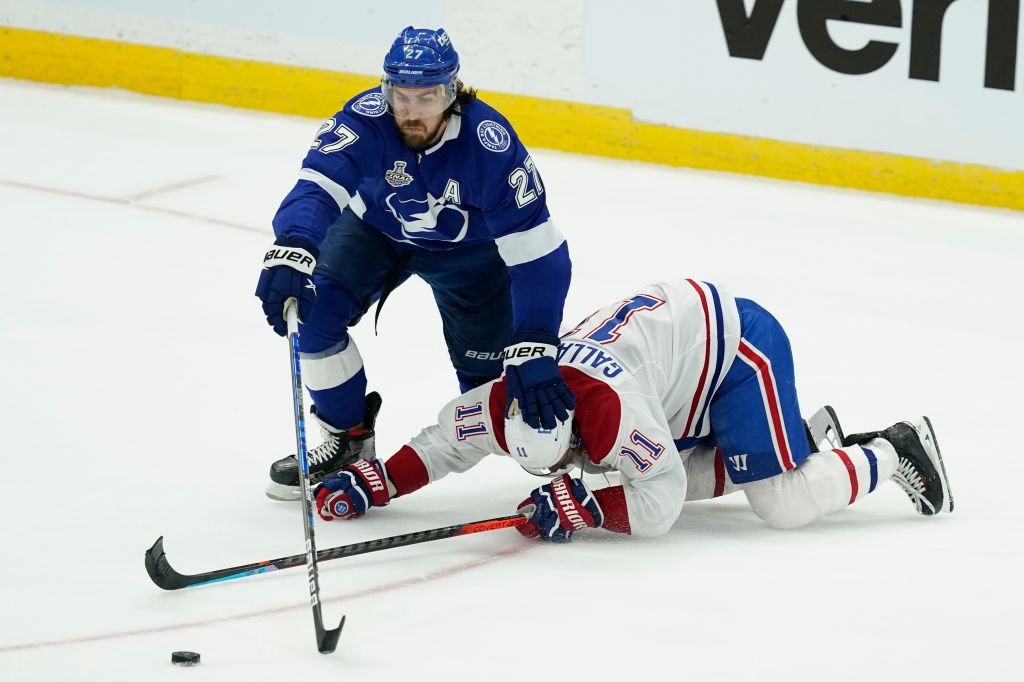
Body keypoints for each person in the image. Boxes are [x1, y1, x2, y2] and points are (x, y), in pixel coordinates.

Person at [310, 278, 954, 542]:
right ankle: (805, 441)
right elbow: (445, 441)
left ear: (572, 426)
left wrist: (588, 511)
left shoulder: (610, 413)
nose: (571, 464)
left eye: (567, 455)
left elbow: (662, 499)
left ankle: (893, 447)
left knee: (781, 506)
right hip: (672, 368)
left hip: (736, 348)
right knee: (629, 469)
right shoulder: (513, 396)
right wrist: (382, 480)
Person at [256, 27, 575, 500]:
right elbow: (318, 186)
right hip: (373, 234)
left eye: (426, 97)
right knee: (313, 315)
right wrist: (294, 243)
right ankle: (349, 441)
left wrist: (536, 341)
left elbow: (540, 255)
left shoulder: (491, 147)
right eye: (399, 96)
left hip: (470, 256)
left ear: (452, 92)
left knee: (493, 390)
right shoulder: (366, 120)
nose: (409, 111)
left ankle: (579, 448)